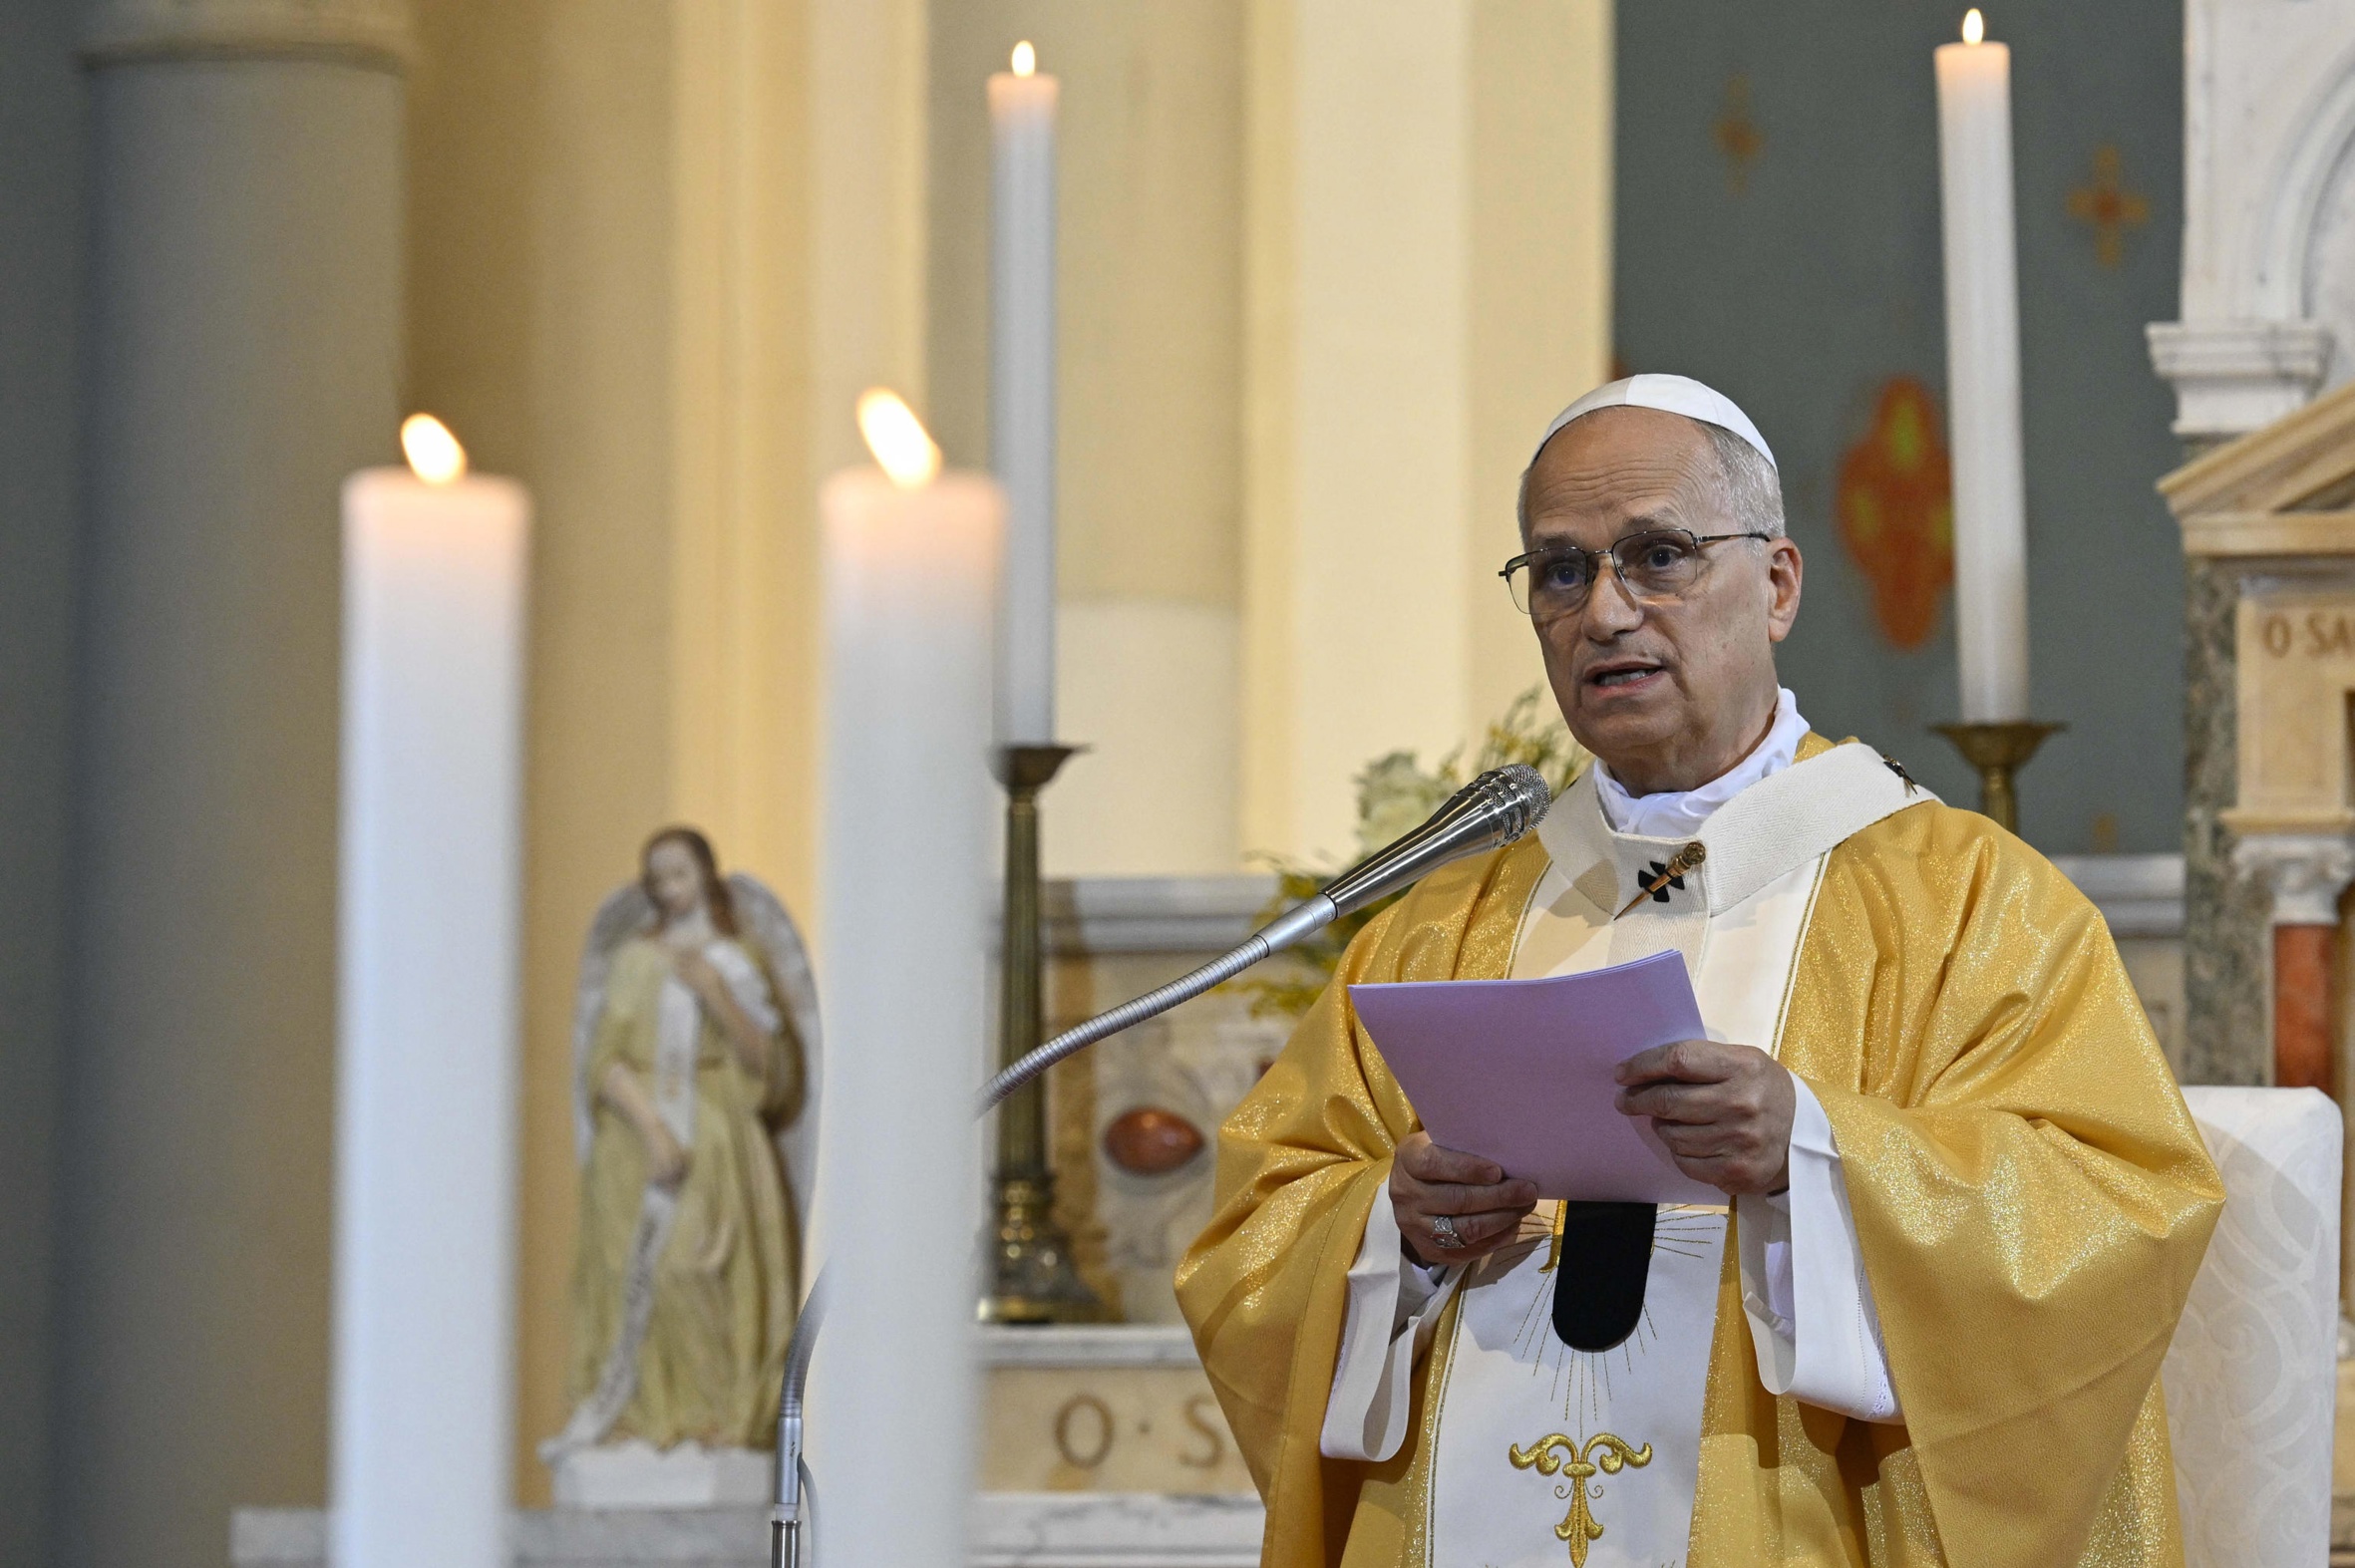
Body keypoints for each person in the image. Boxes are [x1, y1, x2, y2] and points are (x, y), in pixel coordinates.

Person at [1176, 375, 2222, 1567]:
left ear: (1775, 585)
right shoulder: (1441, 924)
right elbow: (1259, 1231)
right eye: (1559, 571)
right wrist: (1394, 1230)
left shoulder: (1963, 902)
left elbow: (2119, 1207)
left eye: (1657, 556)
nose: (1604, 613)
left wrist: (1816, 1154)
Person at [548, 826, 813, 1457]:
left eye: (681, 874)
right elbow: (602, 1061)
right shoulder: (635, 961)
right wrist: (652, 1127)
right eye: (658, 878)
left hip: (718, 1140)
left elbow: (774, 1071)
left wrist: (717, 996)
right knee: (635, 1273)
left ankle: (714, 1420)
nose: (670, 889)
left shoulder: (734, 958)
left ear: (706, 878)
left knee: (694, 1270)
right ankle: (640, 1421)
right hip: (635, 1143)